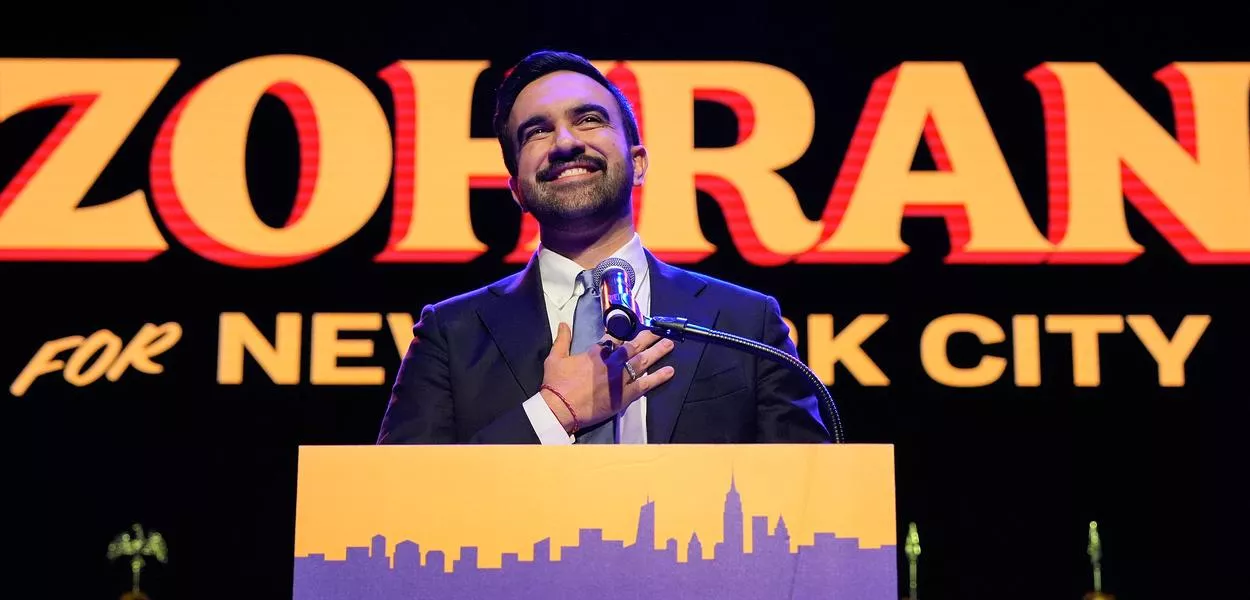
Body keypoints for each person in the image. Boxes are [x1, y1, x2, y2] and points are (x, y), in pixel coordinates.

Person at [376, 50, 831, 445]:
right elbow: (398, 500)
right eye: (536, 132)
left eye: (588, 119)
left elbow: (808, 499)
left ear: (637, 163)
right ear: (516, 188)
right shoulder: (451, 335)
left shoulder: (745, 322)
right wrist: (553, 414)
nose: (566, 143)